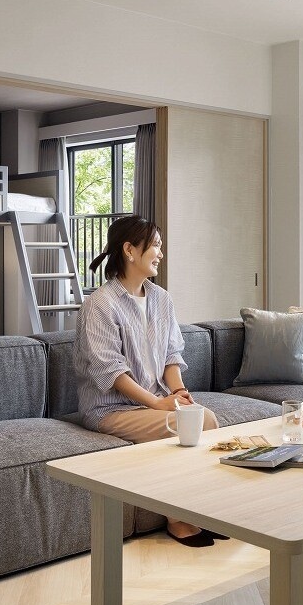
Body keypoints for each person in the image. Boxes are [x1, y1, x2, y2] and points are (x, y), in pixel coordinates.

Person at [74, 215, 223, 546]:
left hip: (153, 402)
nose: (160, 253)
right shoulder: (100, 304)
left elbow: (171, 356)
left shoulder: (161, 299)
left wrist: (180, 393)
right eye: (155, 245)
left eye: (160, 246)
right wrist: (158, 403)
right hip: (111, 409)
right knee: (190, 427)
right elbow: (111, 372)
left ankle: (205, 511)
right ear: (129, 250)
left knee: (206, 417)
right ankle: (179, 519)